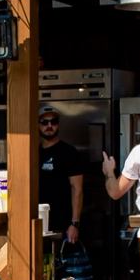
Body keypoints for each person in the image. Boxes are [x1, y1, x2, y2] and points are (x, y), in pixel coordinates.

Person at [37, 105, 86, 245]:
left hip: (63, 225)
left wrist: (74, 224)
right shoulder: (34, 152)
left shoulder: (69, 152)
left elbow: (78, 189)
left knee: (60, 264)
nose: (49, 126)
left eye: (53, 121)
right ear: (38, 125)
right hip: (38, 222)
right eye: (44, 122)